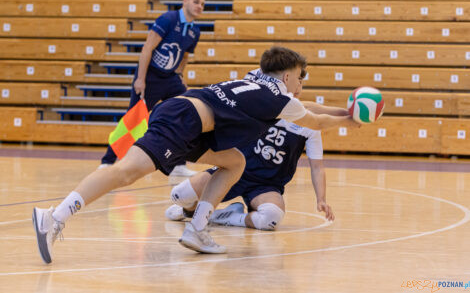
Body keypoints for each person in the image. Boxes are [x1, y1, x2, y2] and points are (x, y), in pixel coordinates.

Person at [32, 46, 360, 264]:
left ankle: (197, 228)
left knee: (234, 161)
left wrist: (344, 110)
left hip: (198, 125)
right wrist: (351, 117)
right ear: (288, 77)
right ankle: (54, 216)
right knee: (126, 172)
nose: (302, 83)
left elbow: (308, 109)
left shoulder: (259, 82)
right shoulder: (282, 98)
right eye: (301, 77)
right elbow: (313, 119)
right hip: (185, 120)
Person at [165, 87, 348, 230]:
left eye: (300, 82)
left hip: (266, 185)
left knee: (271, 218)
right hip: (234, 171)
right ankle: (188, 211)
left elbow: (317, 167)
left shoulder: (311, 124)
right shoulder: (264, 106)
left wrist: (321, 199)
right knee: (178, 196)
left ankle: (226, 217)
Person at [99, 0, 206, 177]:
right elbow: (148, 47)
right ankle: (107, 161)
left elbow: (185, 54)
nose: (200, 6)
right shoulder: (168, 19)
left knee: (183, 114)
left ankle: (178, 165)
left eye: (203, 4)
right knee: (133, 117)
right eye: (196, 2)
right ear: (185, 1)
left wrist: (180, 75)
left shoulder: (194, 31)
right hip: (151, 77)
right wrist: (141, 78)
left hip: (171, 78)